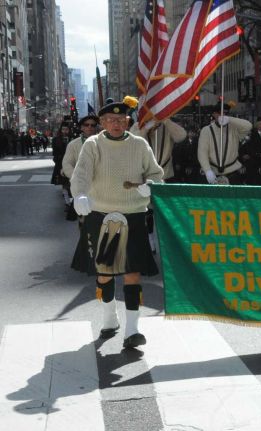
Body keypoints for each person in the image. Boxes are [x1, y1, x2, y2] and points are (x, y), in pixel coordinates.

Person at [69, 100, 164, 349]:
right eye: (110, 120)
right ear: (102, 123)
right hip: (101, 215)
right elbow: (80, 174)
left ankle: (132, 328)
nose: (116, 124)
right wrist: (79, 194)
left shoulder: (139, 144)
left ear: (128, 123)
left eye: (121, 120)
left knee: (132, 272)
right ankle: (109, 316)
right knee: (104, 272)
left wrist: (150, 185)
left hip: (133, 214)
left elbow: (156, 174)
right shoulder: (93, 144)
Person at [197, 102, 252, 185]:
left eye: (226, 114)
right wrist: (207, 170)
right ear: (214, 114)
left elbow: (248, 126)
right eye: (220, 113)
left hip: (233, 172)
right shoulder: (206, 130)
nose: (222, 116)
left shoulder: (234, 129)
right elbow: (202, 152)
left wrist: (230, 119)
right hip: (213, 172)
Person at [61, 115, 101, 220]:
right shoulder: (73, 145)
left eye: (93, 125)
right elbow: (67, 164)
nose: (89, 127)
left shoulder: (104, 142)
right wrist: (77, 177)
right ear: (81, 127)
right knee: (84, 221)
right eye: (86, 125)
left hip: (100, 188)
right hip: (82, 187)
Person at [130, 117, 187, 182]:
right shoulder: (137, 126)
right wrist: (146, 128)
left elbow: (182, 136)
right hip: (143, 175)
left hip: (165, 175)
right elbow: (133, 142)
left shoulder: (167, 125)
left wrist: (165, 120)